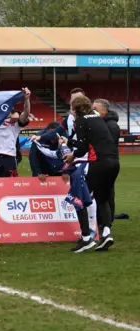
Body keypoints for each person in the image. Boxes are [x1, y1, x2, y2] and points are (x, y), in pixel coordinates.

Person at [63, 96, 119, 252]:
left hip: (99, 163)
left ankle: (86, 238)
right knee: (102, 197)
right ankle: (106, 233)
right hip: (114, 163)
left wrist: (71, 153)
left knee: (77, 197)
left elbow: (83, 148)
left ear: (75, 109)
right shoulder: (96, 117)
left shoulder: (80, 121)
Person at [0, 88, 31, 178]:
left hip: (10, 157)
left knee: (11, 186)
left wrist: (27, 99)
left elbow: (26, 113)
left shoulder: (17, 122)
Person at [92, 98, 120, 228]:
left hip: (107, 163)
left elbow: (107, 145)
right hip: (102, 162)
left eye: (95, 109)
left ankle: (106, 223)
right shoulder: (103, 123)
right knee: (102, 192)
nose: (93, 111)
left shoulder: (112, 126)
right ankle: (102, 221)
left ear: (104, 110)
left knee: (106, 194)